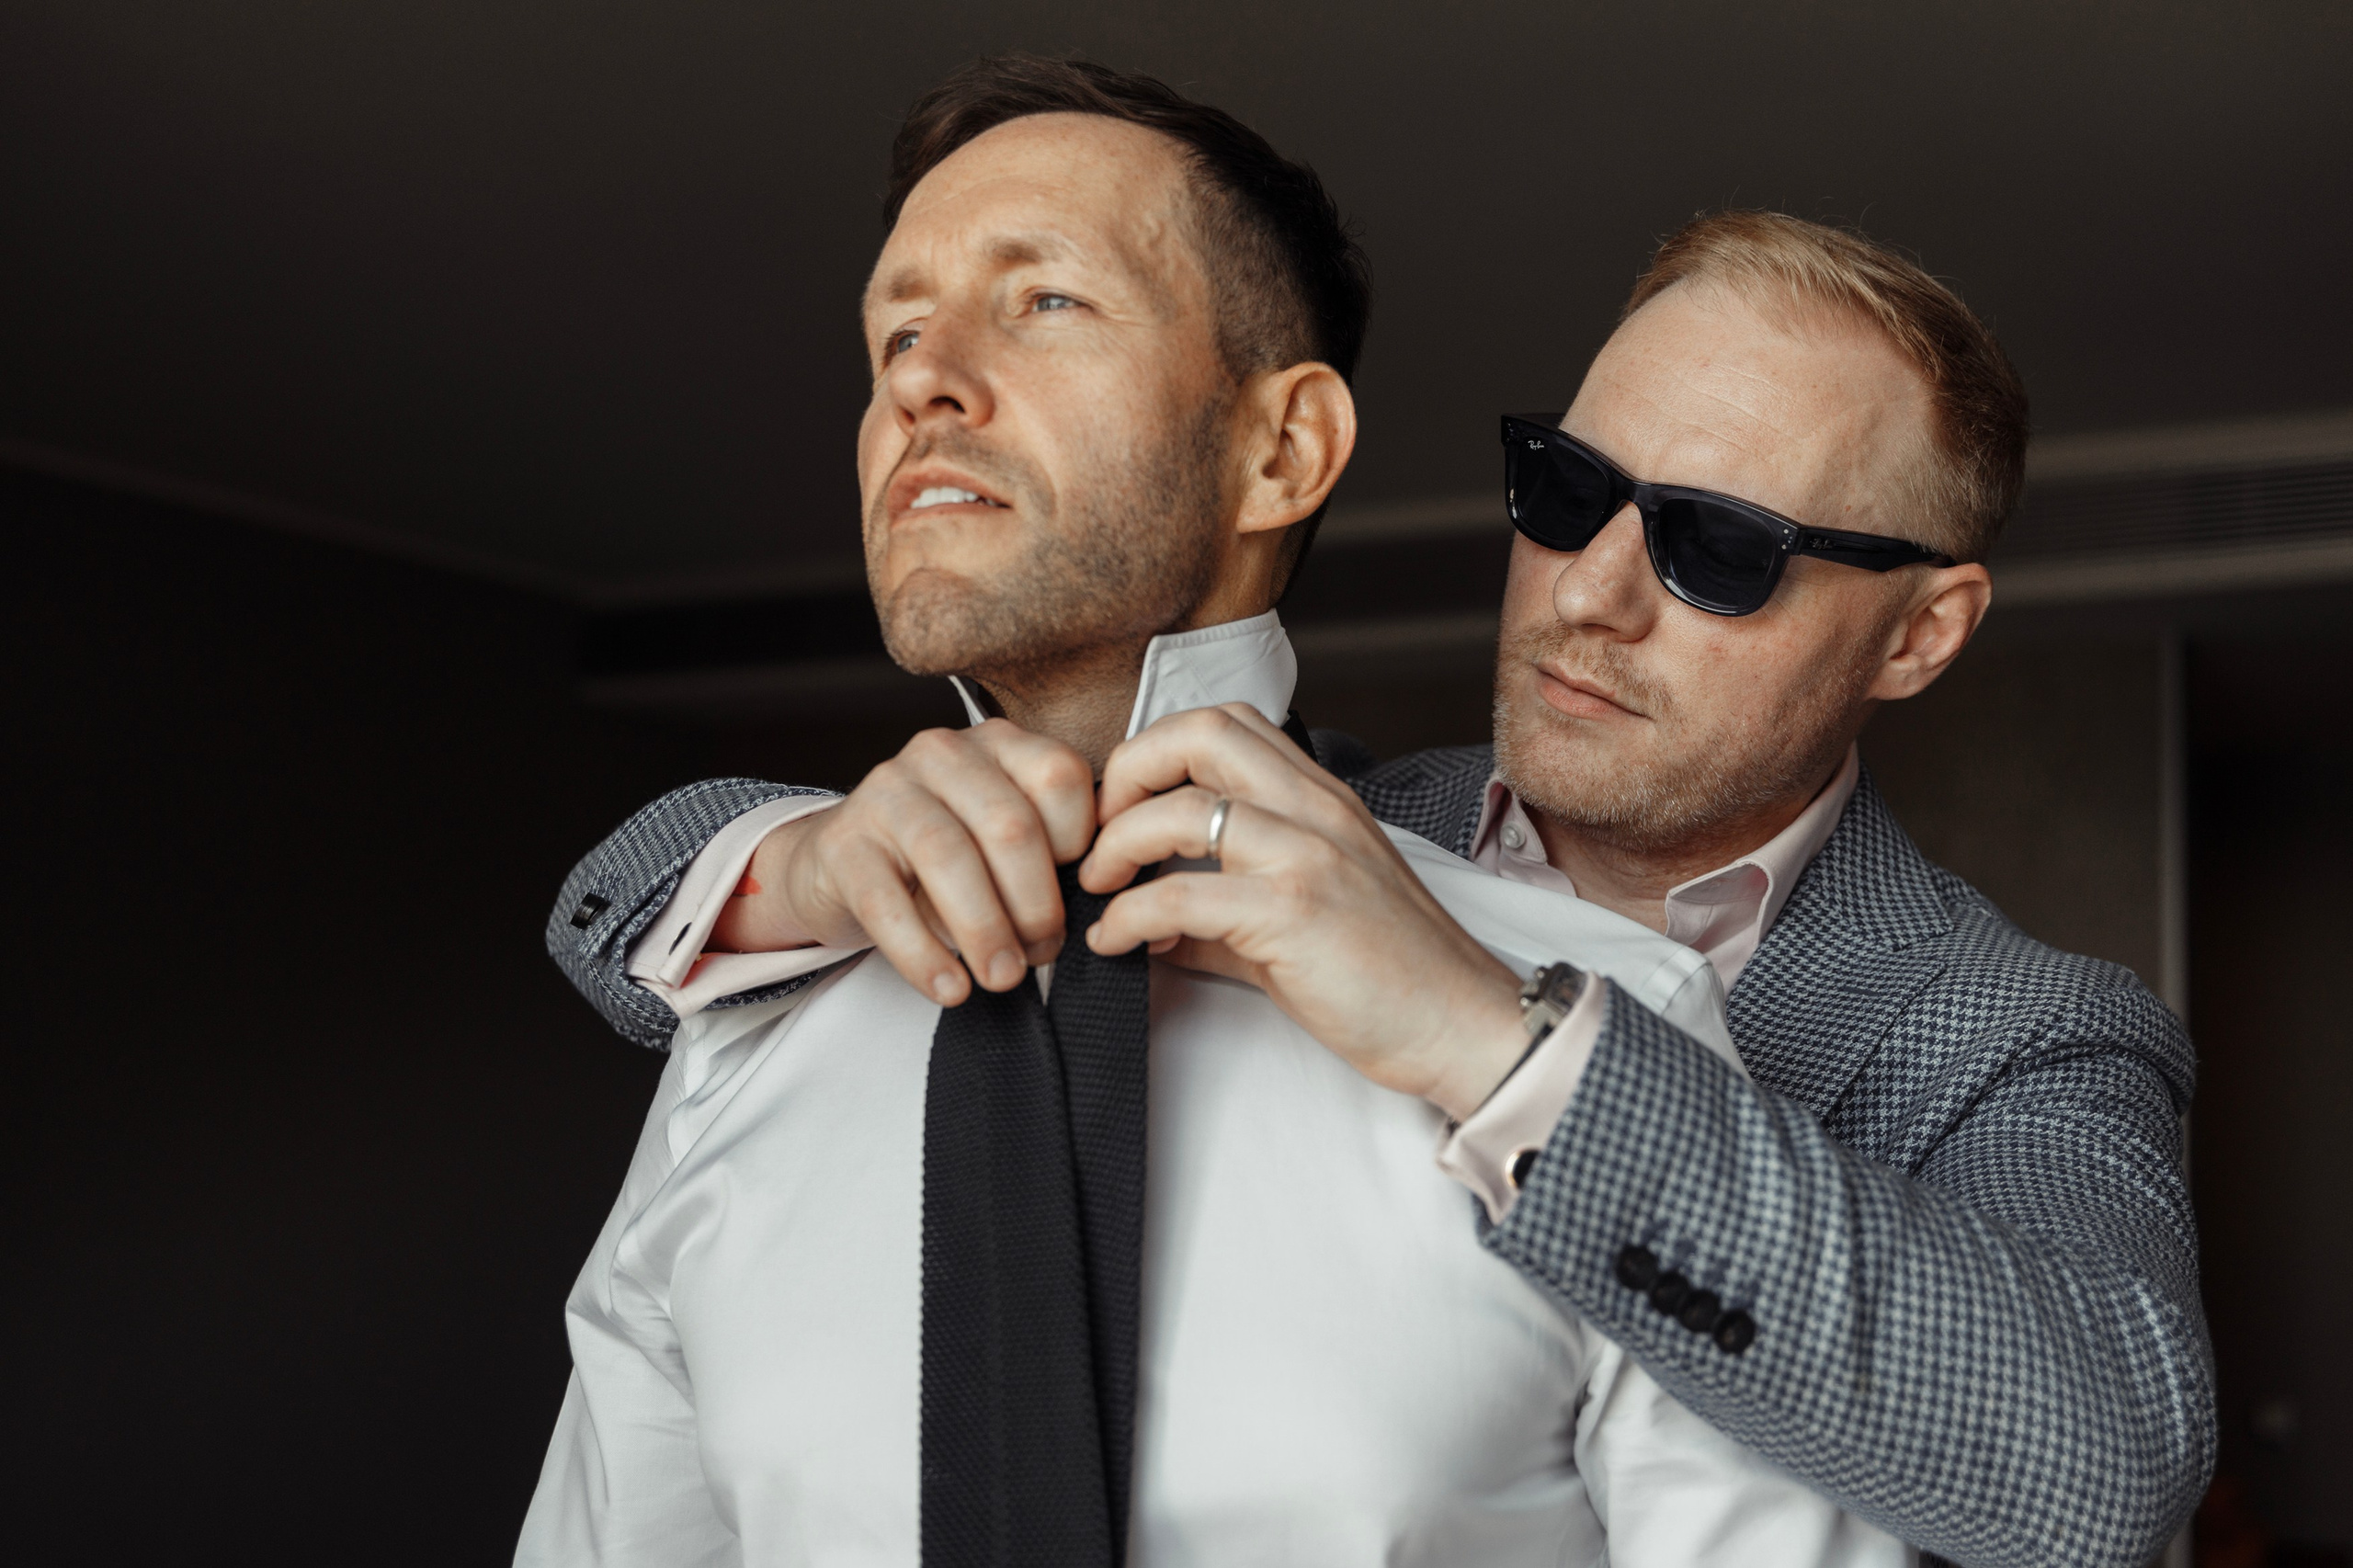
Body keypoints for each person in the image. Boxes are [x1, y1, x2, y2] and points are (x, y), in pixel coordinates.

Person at [546, 142, 2216, 1568]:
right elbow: (670, 917)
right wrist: (793, 860)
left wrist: (1494, 1035)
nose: (1590, 591)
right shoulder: (1322, 821)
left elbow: (2100, 1476)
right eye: (1566, 488)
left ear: (1921, 633)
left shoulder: (2019, 1036)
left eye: (1718, 547)